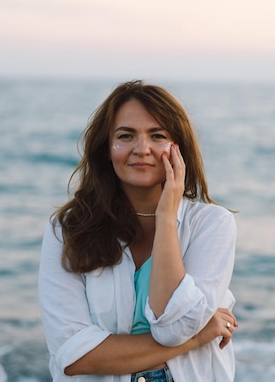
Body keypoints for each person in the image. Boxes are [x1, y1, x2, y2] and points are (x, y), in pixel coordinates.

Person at [38, 80, 238, 382]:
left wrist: (167, 217)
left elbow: (174, 328)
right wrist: (197, 337)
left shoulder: (211, 225)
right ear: (107, 148)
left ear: (178, 149)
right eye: (125, 136)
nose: (141, 149)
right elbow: (73, 354)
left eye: (157, 136)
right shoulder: (67, 230)